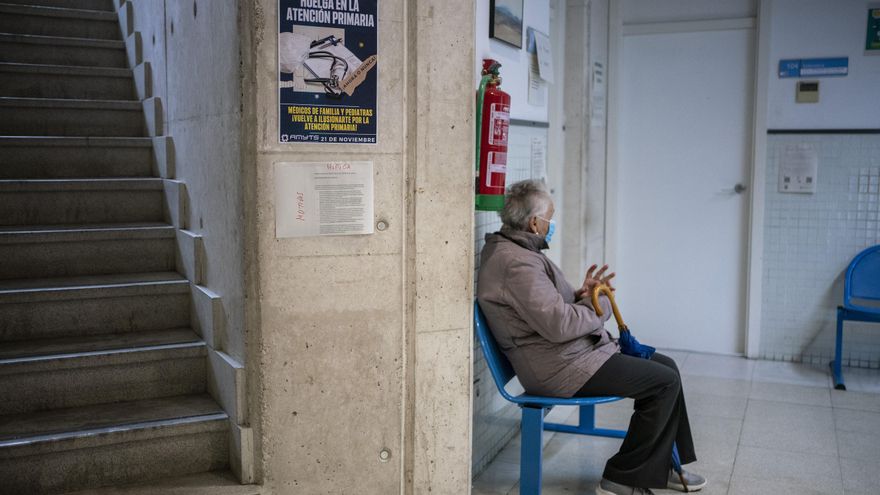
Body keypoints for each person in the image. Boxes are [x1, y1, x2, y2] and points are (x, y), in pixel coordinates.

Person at [476, 179, 706, 495]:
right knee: (663, 382)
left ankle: (662, 464)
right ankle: (622, 477)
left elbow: (544, 308)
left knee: (668, 367)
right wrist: (599, 307)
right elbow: (558, 324)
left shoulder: (517, 250)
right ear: (534, 223)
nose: (551, 225)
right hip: (558, 368)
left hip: (568, 355)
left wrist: (580, 294)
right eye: (549, 218)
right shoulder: (516, 263)